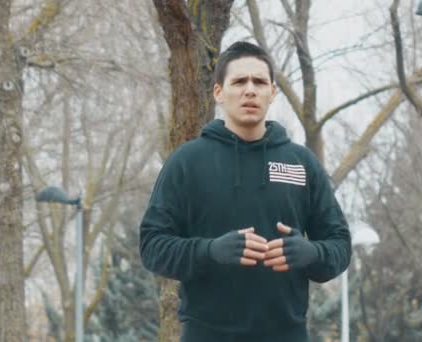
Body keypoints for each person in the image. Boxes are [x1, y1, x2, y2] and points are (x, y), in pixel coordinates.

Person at [139, 41, 351, 341]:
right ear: (218, 92)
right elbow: (152, 246)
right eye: (239, 81)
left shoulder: (302, 163)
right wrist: (209, 251)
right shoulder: (186, 162)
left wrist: (310, 253)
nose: (250, 90)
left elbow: (340, 245)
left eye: (260, 81)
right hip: (205, 334)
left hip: (287, 334)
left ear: (272, 91)